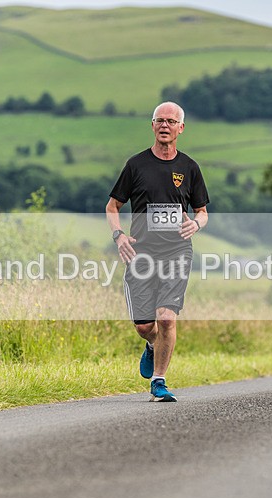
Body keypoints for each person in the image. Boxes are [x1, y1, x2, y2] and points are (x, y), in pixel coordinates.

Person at [106, 101, 210, 402]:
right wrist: (119, 236)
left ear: (181, 128)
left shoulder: (189, 168)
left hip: (177, 252)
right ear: (152, 126)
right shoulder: (136, 165)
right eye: (160, 120)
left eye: (171, 121)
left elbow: (202, 212)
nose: (165, 125)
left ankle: (159, 381)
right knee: (144, 326)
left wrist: (196, 224)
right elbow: (112, 206)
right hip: (141, 254)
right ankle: (152, 344)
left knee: (166, 319)